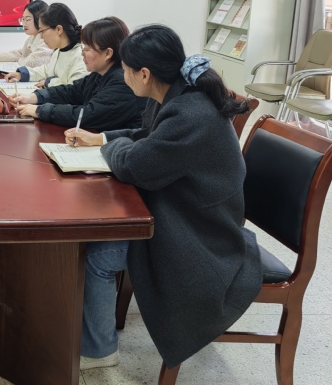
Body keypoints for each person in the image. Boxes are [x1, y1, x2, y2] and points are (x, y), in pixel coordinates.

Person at [65, 25, 262, 372]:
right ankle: (93, 335)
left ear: (144, 74)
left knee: (97, 254)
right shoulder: (177, 94)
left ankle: (99, 351)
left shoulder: (190, 113)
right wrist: (101, 138)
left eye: (126, 70)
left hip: (200, 234)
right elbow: (147, 137)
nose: (123, 76)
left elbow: (136, 165)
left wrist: (112, 146)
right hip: (184, 211)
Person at [9, 17, 145, 128]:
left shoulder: (122, 81)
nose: (82, 53)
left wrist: (40, 110)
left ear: (108, 53)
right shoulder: (99, 74)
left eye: (88, 49)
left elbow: (87, 115)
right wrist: (34, 97)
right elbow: (72, 91)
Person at [4, 2, 88, 88]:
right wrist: (22, 74)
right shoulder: (59, 51)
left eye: (42, 31)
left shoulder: (82, 57)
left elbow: (73, 90)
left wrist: (49, 82)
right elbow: (47, 70)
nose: (41, 36)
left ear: (58, 29)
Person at [0, 0, 52, 68]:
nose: (24, 24)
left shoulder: (47, 40)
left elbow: (32, 63)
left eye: (28, 19)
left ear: (40, 20)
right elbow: (18, 54)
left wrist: (20, 59)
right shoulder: (32, 38)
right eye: (23, 19)